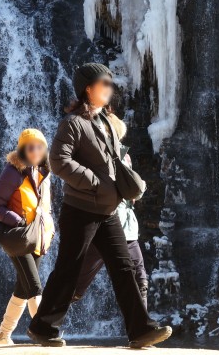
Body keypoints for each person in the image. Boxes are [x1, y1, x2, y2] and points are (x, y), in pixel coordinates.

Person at [27, 63, 172, 349]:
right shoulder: (73, 123)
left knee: (124, 268)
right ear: (87, 89)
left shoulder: (104, 122)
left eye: (110, 82)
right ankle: (43, 327)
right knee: (69, 268)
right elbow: (58, 161)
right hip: (81, 209)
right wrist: (94, 182)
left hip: (106, 211)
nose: (109, 88)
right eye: (103, 83)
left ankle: (140, 329)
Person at [72, 116, 148, 307]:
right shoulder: (93, 155)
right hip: (103, 226)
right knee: (75, 283)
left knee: (140, 279)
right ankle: (45, 321)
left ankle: (142, 329)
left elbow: (131, 189)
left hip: (126, 227)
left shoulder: (124, 155)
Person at [0, 128, 56, 345]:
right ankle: (44, 333)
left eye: (39, 147)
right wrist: (18, 221)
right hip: (17, 237)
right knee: (35, 287)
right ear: (22, 149)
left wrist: (49, 229)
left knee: (22, 288)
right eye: (30, 147)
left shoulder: (43, 172)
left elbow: (45, 207)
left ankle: (3, 335)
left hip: (37, 236)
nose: (35, 151)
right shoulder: (12, 171)